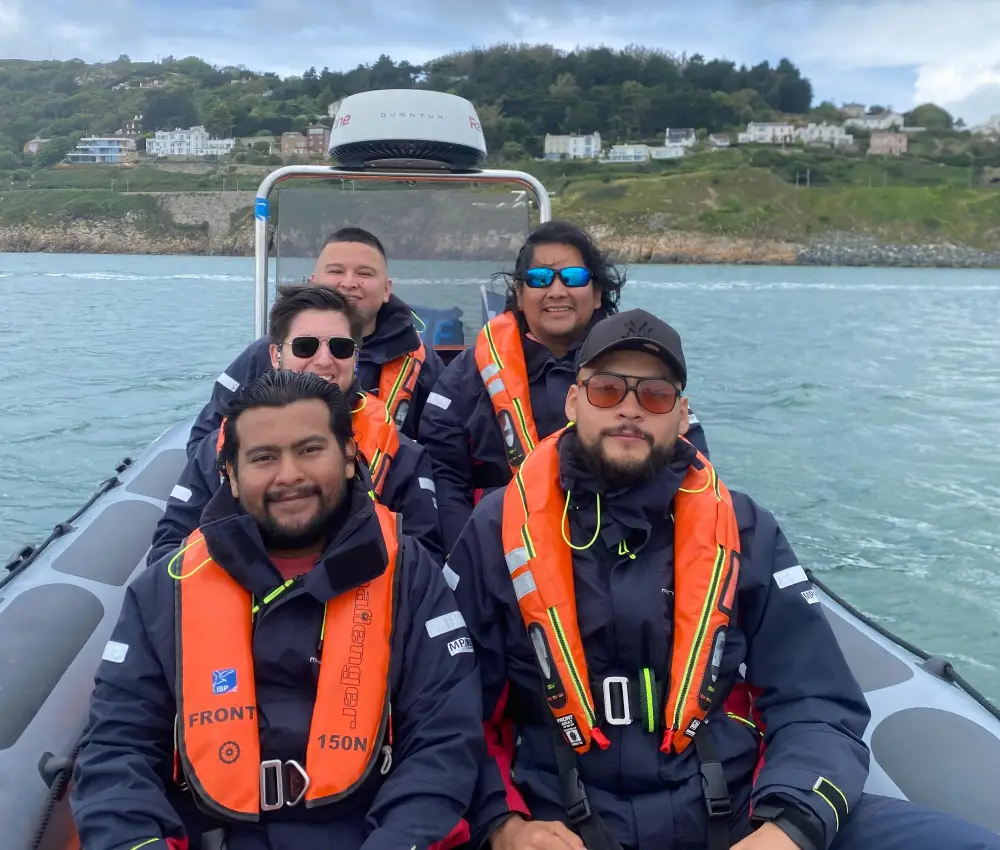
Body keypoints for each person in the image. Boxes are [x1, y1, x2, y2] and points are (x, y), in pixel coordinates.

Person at [445, 308, 1000, 850]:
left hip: (736, 813)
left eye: (656, 395)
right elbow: (447, 710)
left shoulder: (747, 528)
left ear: (682, 415)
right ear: (573, 401)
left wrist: (790, 826)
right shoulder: (496, 529)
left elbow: (818, 704)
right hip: (559, 821)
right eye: (607, 390)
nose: (631, 410)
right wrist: (504, 825)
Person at [70, 370, 481, 850]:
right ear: (232, 475)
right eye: (264, 458)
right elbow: (119, 750)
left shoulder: (411, 575)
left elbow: (444, 740)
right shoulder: (166, 588)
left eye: (310, 449)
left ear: (349, 457)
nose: (290, 475)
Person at [419, 220, 709, 553]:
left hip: (620, 547)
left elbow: (690, 459)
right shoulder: (467, 374)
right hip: (497, 545)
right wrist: (473, 556)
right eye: (540, 279)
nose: (557, 291)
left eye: (573, 278)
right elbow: (443, 471)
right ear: (520, 294)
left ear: (597, 294)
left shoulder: (638, 362)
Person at [151, 284, 443, 565]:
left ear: (356, 357)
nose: (324, 361)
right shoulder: (216, 448)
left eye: (341, 347)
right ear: (276, 355)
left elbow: (424, 557)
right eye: (305, 347)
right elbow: (169, 547)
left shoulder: (405, 457)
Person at [186, 226, 444, 453]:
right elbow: (204, 440)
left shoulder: (422, 363)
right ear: (313, 282)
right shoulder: (262, 354)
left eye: (364, 273)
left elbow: (444, 453)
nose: (349, 282)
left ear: (387, 289)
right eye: (336, 271)